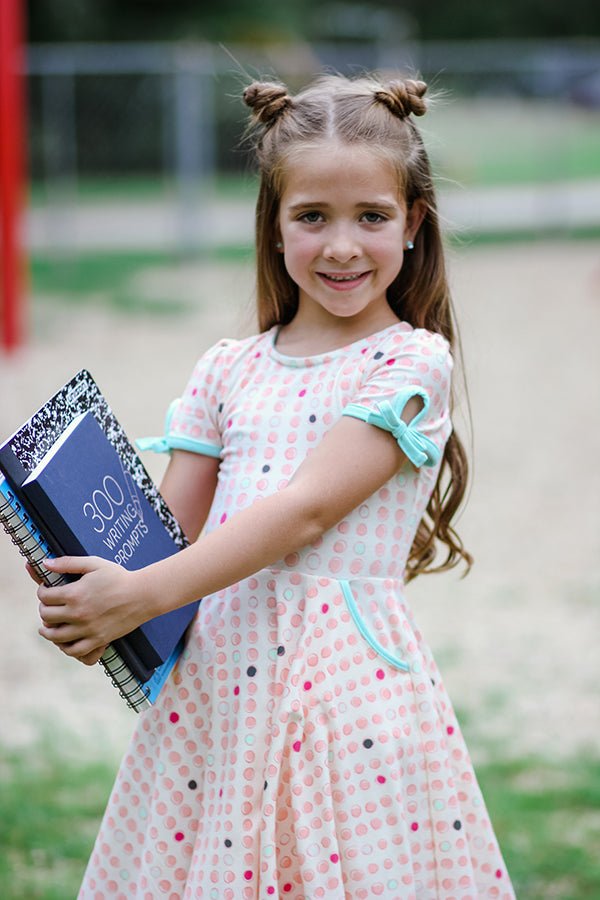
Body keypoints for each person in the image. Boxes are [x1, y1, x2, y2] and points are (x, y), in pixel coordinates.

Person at [36, 74, 515, 900]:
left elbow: (306, 511)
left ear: (413, 224)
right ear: (275, 222)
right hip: (215, 694)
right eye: (311, 217)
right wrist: (86, 582)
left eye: (372, 216)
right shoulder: (228, 368)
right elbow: (165, 541)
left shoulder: (410, 363)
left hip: (340, 698)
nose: (341, 246)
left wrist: (141, 592)